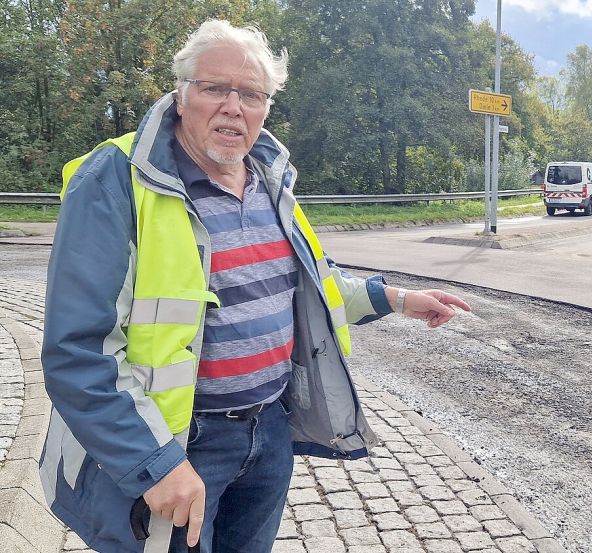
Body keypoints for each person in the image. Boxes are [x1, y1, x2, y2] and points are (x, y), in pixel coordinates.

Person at [39, 20, 471, 553]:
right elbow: (77, 350)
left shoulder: (270, 179)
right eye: (214, 88)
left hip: (268, 433)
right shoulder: (117, 179)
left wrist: (399, 299)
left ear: (265, 106)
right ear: (181, 94)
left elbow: (312, 283)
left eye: (249, 93)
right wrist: (154, 463)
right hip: (177, 444)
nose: (232, 106)